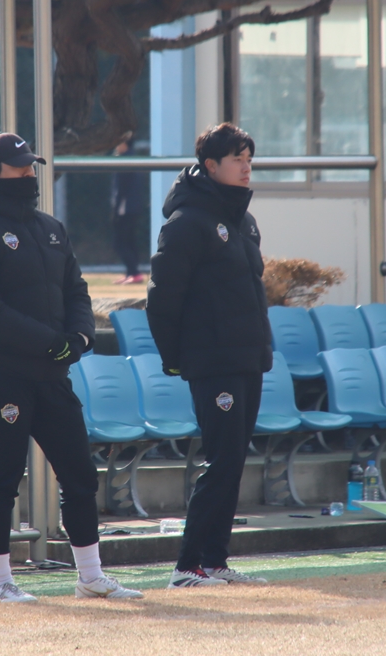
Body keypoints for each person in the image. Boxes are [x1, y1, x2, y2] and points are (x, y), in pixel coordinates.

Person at [0, 132, 143, 604]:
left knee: (80, 476)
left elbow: (76, 290)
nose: (29, 175)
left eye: (31, 166)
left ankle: (90, 576)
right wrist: (49, 342)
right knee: (3, 480)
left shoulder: (50, 227)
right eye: (19, 168)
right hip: (2, 375)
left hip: (52, 376)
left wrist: (79, 337)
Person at [146, 123, 272, 588]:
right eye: (237, 159)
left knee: (234, 460)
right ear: (211, 165)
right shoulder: (186, 223)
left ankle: (215, 561)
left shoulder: (244, 221)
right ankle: (186, 567)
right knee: (220, 461)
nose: (246, 168)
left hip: (247, 358)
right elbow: (162, 299)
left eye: (249, 159)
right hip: (212, 361)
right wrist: (175, 357)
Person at [110, 135, 146, 284]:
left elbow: (122, 188)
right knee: (129, 241)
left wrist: (116, 209)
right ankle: (131, 273)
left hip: (126, 208)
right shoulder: (131, 158)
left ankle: (134, 273)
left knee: (121, 242)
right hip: (133, 207)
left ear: (125, 143)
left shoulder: (125, 160)